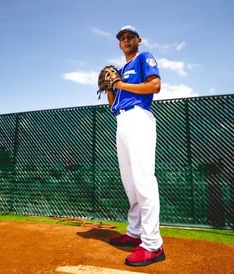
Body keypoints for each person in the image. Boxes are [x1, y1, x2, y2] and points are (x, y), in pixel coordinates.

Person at [107, 25, 165, 267]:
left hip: (140, 117)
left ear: (138, 40)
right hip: (122, 120)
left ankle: (153, 244)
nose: (126, 39)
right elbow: (113, 106)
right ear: (119, 44)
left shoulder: (144, 57)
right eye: (122, 38)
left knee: (142, 180)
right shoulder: (120, 71)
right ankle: (135, 232)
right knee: (129, 182)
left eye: (130, 36)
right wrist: (111, 86)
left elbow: (154, 86)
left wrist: (119, 84)